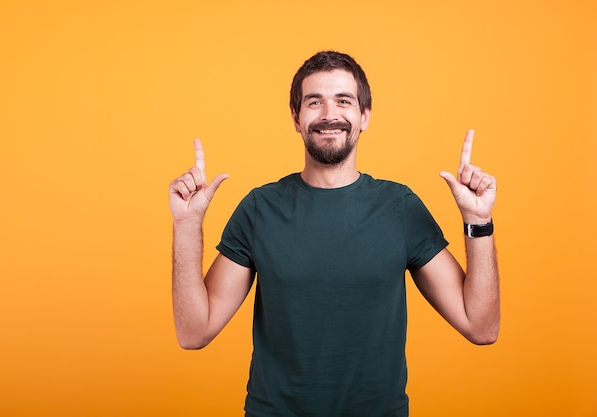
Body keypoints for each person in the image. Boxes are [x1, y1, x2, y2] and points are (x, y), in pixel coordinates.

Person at [169, 51, 499, 417]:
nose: (330, 115)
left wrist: (477, 220)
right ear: (296, 118)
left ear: (364, 116)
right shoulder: (260, 209)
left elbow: (480, 326)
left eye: (344, 101)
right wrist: (186, 226)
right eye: (315, 102)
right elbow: (194, 333)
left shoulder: (400, 207)